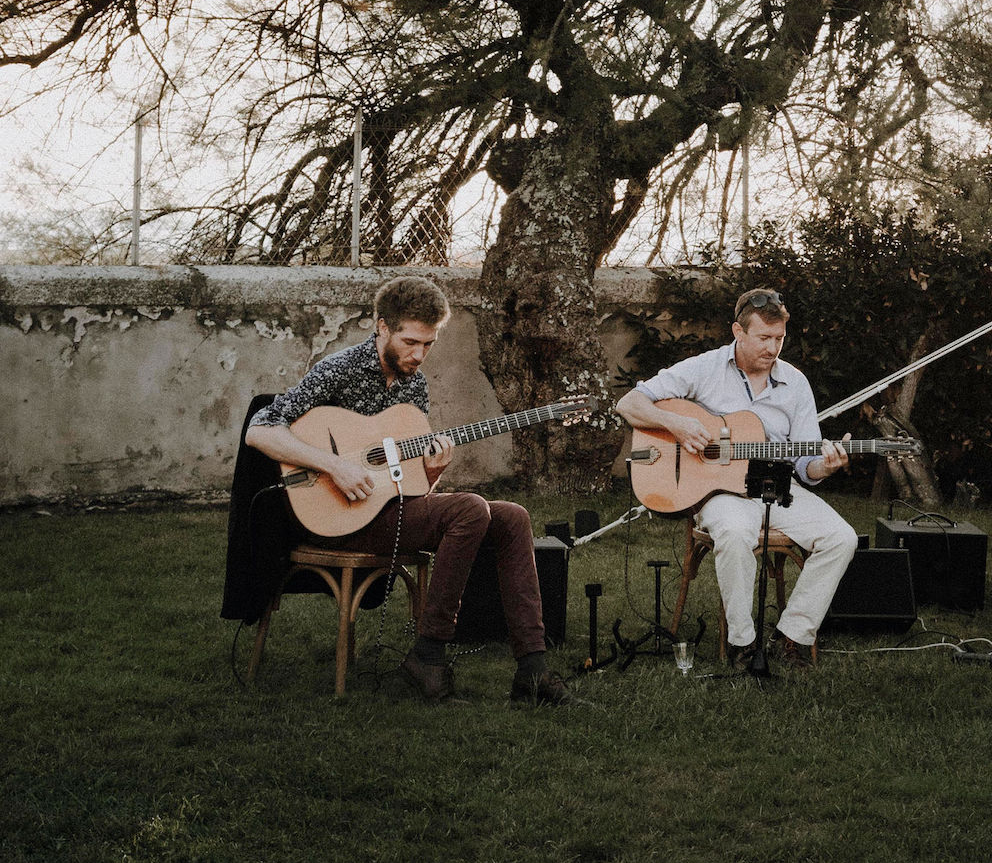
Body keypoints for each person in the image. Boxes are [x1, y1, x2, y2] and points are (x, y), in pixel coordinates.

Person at [245, 275, 567, 705]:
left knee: (512, 516)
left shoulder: (414, 384)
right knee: (470, 508)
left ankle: (532, 670)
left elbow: (408, 482)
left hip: (388, 511)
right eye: (410, 342)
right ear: (382, 328)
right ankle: (428, 655)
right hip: (336, 515)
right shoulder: (339, 370)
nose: (418, 355)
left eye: (428, 344)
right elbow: (260, 430)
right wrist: (335, 465)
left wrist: (434, 470)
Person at [615, 287, 859, 669]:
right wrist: (676, 423)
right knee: (733, 532)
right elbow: (629, 403)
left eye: (779, 339)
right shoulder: (704, 368)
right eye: (763, 338)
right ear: (738, 332)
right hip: (720, 494)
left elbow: (806, 462)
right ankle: (743, 643)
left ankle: (792, 635)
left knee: (841, 538)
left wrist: (825, 466)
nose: (772, 348)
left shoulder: (795, 383)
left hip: (779, 486)